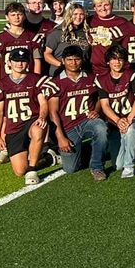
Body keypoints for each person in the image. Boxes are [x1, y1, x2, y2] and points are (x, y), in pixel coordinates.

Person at [0, 48, 53, 184]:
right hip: (14, 128)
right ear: (9, 62)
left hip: (31, 121)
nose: (19, 64)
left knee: (38, 129)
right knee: (19, 171)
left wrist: (41, 117)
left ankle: (33, 169)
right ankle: (48, 158)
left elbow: (43, 103)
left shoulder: (36, 80)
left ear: (28, 63)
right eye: (16, 60)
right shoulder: (1, 85)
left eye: (23, 61)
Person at [47, 45, 110, 180]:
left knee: (101, 127)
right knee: (71, 169)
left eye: (77, 59)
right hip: (67, 127)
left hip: (87, 121)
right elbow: (53, 113)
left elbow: (101, 97)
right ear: (63, 61)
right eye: (69, 60)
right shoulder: (56, 82)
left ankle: (97, 167)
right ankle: (86, 149)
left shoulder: (91, 78)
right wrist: (61, 138)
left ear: (82, 60)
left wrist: (96, 110)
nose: (73, 63)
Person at [93, 45, 135, 179]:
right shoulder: (101, 80)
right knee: (117, 165)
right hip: (115, 122)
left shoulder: (132, 75)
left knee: (131, 131)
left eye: (120, 59)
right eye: (114, 59)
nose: (117, 62)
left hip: (132, 118)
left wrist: (128, 119)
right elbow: (105, 105)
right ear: (108, 61)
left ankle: (130, 166)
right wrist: (118, 120)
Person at [0, 2, 44, 83]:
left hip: (28, 80)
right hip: (6, 81)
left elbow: (37, 62)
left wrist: (36, 81)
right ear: (7, 17)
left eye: (19, 14)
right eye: (13, 15)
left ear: (24, 16)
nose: (16, 17)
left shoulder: (33, 38)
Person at [87, 0, 129, 77]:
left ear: (112, 6)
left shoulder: (122, 22)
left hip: (115, 68)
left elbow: (125, 47)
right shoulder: (89, 21)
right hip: (93, 68)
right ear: (95, 8)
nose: (103, 8)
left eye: (106, 5)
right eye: (99, 5)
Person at [43, 2, 91, 73]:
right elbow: (47, 54)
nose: (78, 17)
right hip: (60, 72)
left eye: (81, 14)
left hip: (81, 73)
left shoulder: (87, 33)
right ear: (69, 15)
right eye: (75, 14)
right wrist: (62, 65)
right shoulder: (57, 32)